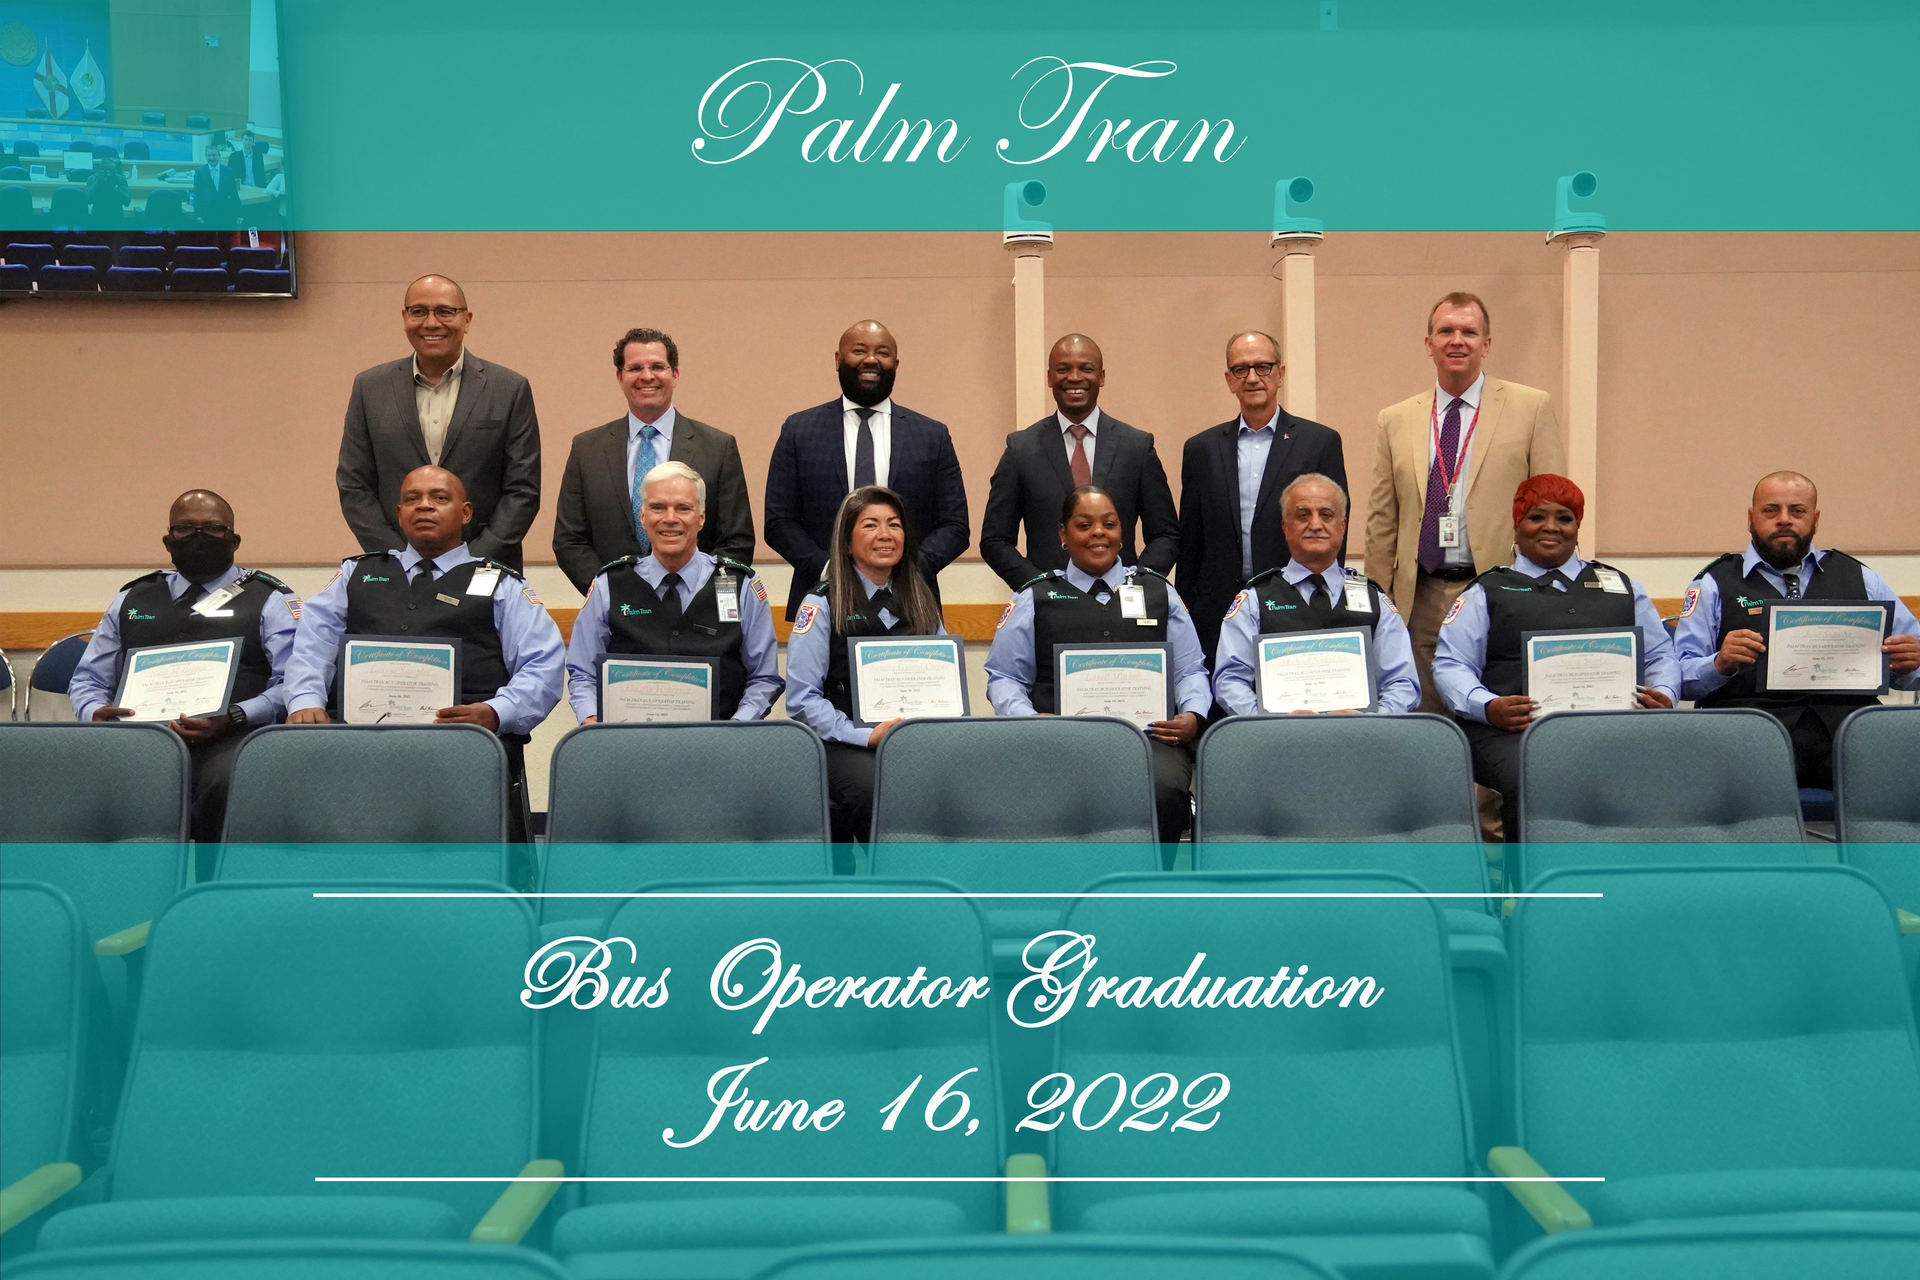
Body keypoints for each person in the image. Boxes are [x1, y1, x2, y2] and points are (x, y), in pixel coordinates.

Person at [285, 466, 564, 843]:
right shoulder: (358, 573)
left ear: (465, 513)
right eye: (412, 499)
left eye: (439, 498)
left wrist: (498, 712)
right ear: (399, 514)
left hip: (461, 743)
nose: (424, 506)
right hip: (360, 740)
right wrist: (305, 699)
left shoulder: (501, 583)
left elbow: (542, 666)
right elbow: (312, 643)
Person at [1432, 475, 1679, 846]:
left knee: (1664, 766)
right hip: (1509, 731)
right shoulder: (1488, 590)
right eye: (1536, 517)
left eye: (1564, 517)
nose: (1551, 527)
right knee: (1537, 772)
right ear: (1517, 524)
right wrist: (1488, 706)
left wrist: (1663, 692)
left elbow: (1661, 654)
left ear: (1578, 526)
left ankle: (1631, 883)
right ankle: (1527, 890)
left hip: (1613, 724)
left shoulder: (1622, 586)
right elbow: (1451, 665)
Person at [1366, 292, 1566, 713]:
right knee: (1426, 722)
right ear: (1429, 344)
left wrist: (1550, 596)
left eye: (1469, 332)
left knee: (1499, 715)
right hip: (1420, 595)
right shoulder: (1395, 419)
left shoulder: (1531, 407)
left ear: (1486, 344)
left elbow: (1554, 508)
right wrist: (1379, 603)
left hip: (1501, 592)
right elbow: (1383, 520)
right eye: (1446, 331)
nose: (1457, 340)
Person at [986, 485, 1210, 860]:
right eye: (1084, 524)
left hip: (1150, 740)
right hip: (1058, 741)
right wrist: (1026, 719)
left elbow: (1190, 668)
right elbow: (1004, 677)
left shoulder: (1158, 591)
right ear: (1063, 534)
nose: (1098, 533)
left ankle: (1151, 886)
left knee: (1166, 788)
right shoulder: (1034, 597)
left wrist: (1193, 713)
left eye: (1109, 523)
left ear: (1122, 533)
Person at [68, 490, 298, 853]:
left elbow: (292, 682)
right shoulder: (132, 597)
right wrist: (94, 711)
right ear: (167, 541)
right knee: (82, 777)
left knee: (224, 781)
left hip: (231, 736)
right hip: (141, 736)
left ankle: (212, 891)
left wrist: (236, 715)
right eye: (185, 529)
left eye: (214, 529)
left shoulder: (270, 598)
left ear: (235, 541)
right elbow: (88, 680)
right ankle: (129, 892)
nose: (199, 538)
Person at [1676, 470, 1920, 789]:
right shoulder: (1713, 583)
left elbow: (1912, 668)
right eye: (1771, 510)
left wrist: (1909, 663)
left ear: (1815, 520)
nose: (1784, 519)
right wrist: (1719, 663)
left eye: (1798, 511)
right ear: (1751, 519)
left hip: (1849, 739)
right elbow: (1676, 676)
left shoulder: (1862, 579)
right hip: (1750, 740)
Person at [763, 320, 970, 619]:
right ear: (838, 360)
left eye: (882, 353)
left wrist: (904, 571)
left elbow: (955, 525)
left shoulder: (931, 435)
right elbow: (779, 521)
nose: (871, 360)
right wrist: (831, 571)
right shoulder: (799, 431)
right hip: (822, 599)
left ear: (896, 364)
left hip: (910, 604)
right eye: (859, 351)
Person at [336, 275, 542, 571]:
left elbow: (523, 489)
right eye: (419, 311)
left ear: (467, 320)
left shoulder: (509, 388)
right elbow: (354, 485)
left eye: (445, 312)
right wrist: (399, 558)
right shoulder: (370, 388)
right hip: (394, 570)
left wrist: (468, 560)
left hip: (486, 567)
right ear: (405, 318)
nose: (431, 323)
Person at [784, 485, 949, 854]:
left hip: (914, 737)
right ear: (846, 542)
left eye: (894, 525)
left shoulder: (923, 599)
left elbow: (945, 681)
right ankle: (891, 885)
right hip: (845, 741)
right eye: (871, 525)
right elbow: (801, 700)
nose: (886, 535)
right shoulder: (821, 603)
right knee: (879, 791)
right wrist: (865, 736)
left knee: (957, 783)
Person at [1177, 331, 1347, 669]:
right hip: (1217, 610)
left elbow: (1332, 530)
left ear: (1280, 374)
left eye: (1263, 367)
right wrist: (1187, 607)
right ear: (1229, 380)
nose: (1252, 377)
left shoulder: (1319, 442)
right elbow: (1191, 540)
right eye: (1241, 369)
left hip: (1293, 602)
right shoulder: (1201, 449)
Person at [564, 462, 781, 723]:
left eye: (683, 508)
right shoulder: (608, 585)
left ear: (701, 518)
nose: (670, 518)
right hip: (628, 746)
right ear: (642, 516)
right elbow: (583, 673)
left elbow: (764, 678)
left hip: (719, 747)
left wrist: (736, 728)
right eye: (658, 507)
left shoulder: (741, 585)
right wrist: (591, 719)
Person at [552, 327, 754, 594]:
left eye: (658, 366)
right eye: (635, 368)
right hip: (615, 609)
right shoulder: (587, 449)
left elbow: (736, 540)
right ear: (619, 377)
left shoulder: (717, 447)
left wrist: (697, 595)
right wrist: (610, 592)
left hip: (697, 611)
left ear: (675, 374)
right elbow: (569, 539)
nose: (647, 376)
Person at [980, 333, 1179, 590]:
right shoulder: (1021, 450)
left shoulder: (1136, 447)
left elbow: (1165, 534)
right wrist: (1038, 587)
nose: (1074, 377)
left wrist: (1136, 583)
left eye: (1086, 369)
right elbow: (995, 540)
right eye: (1063, 369)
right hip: (1050, 609)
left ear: (1101, 376)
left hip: (1122, 604)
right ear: (1050, 377)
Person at [1213, 473, 1421, 716]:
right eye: (1303, 515)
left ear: (1342, 526)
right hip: (1278, 741)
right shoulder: (1255, 600)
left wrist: (1373, 720)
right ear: (1285, 527)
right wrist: (1266, 721)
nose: (1315, 525)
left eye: (1326, 515)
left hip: (1362, 740)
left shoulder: (1374, 600)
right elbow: (1230, 680)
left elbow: (1403, 683)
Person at [191, 140, 241, 231]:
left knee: (225, 243)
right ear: (206, 157)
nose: (211, 158)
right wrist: (198, 215)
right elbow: (197, 195)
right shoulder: (200, 172)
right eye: (209, 155)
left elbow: (234, 194)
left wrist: (239, 214)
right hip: (207, 214)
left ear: (219, 156)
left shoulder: (228, 171)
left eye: (214, 155)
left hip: (225, 214)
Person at [84, 153, 130, 231]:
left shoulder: (120, 179)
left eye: (112, 171)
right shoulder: (92, 179)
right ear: (100, 171)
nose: (109, 174)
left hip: (116, 218)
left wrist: (115, 187)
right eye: (107, 171)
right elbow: (88, 199)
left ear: (115, 170)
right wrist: (97, 182)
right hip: (98, 218)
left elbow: (127, 202)